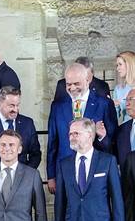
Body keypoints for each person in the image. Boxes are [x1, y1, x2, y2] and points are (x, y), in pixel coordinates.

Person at [46, 62, 116, 191]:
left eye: (76, 84)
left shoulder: (104, 104)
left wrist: (101, 136)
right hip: (64, 170)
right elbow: (52, 143)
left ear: (88, 80)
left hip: (95, 171)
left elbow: (112, 141)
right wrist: (51, 176)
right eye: (68, 84)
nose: (72, 88)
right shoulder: (57, 106)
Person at [0, 85, 42, 171]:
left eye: (17, 105)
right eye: (11, 106)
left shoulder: (28, 123)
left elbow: (35, 154)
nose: (15, 110)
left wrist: (25, 175)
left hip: (22, 181)